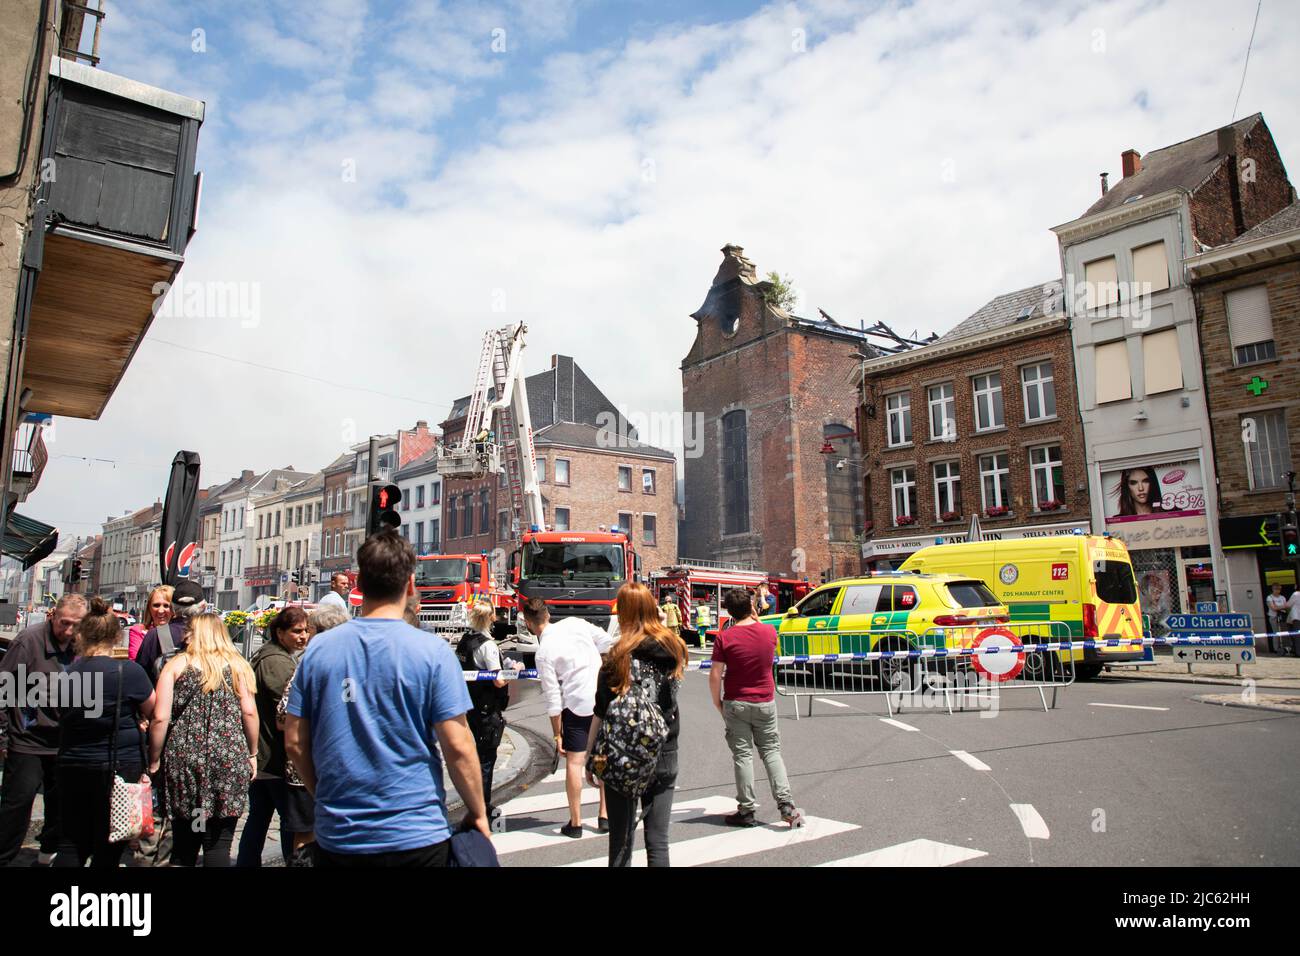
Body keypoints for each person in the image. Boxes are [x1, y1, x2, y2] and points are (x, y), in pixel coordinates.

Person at [284, 531, 489, 867]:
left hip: (341, 836)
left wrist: (323, 795)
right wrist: (478, 811)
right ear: (411, 585)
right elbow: (458, 745)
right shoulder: (433, 652)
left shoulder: (318, 651)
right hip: (416, 833)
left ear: (359, 584)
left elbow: (294, 741)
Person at [148, 611, 259, 867]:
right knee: (218, 842)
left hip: (184, 757)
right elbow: (250, 712)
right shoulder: (238, 667)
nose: (184, 636)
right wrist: (252, 753)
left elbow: (160, 718)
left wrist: (154, 759)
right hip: (227, 757)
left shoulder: (176, 665)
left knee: (184, 842)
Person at [588, 582, 686, 867]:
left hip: (622, 754)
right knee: (658, 841)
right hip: (665, 749)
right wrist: (660, 621)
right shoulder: (674, 649)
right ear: (652, 609)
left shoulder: (616, 657)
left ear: (623, 614)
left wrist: (590, 757)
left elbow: (601, 711)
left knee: (620, 839)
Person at [54, 598, 156, 868]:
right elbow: (153, 709)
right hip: (118, 765)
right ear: (116, 636)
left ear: (82, 635)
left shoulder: (68, 674)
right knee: (110, 842)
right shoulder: (130, 672)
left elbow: (60, 714)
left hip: (73, 761)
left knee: (71, 840)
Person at [0, 594, 87, 866]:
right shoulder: (28, 641)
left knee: (60, 806)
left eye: (76, 625)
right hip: (28, 739)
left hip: (64, 741)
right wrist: (4, 735)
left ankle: (47, 853)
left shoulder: (82, 646)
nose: (69, 630)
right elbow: (4, 690)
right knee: (18, 805)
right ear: (53, 617)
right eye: (65, 623)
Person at [709, 587, 804, 828]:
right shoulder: (768, 631)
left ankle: (747, 809)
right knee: (771, 752)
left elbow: (715, 674)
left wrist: (717, 701)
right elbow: (763, 633)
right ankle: (786, 805)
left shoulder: (725, 637)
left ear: (729, 611)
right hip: (765, 701)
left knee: (743, 755)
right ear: (751, 607)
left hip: (736, 701)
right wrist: (756, 616)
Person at [524, 597, 610, 836]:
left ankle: (576, 822)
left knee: (574, 762)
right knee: (601, 755)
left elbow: (552, 698)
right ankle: (604, 815)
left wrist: (556, 734)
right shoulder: (575, 623)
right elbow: (607, 640)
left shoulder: (543, 652)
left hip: (576, 705)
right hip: (600, 699)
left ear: (528, 622)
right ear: (548, 614)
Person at [236, 606, 311, 867]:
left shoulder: (272, 655)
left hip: (265, 755)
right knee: (290, 821)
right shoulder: (276, 662)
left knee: (259, 818)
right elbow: (287, 712)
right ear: (280, 632)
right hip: (274, 756)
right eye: (296, 631)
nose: (303, 636)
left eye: (305, 630)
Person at [274, 605, 348, 866]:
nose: (307, 636)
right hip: (339, 766)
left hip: (309, 768)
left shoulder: (310, 664)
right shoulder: (355, 664)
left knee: (307, 835)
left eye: (310, 630)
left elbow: (284, 719)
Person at [456, 601, 524, 817]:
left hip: (469, 706)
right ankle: (482, 807)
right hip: (486, 708)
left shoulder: (465, 641)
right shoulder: (488, 646)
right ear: (490, 618)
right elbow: (498, 680)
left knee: (473, 758)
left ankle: (472, 803)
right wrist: (515, 669)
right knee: (486, 760)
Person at [136, 579, 206, 683]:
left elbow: (139, 677)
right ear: (203, 607)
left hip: (163, 696)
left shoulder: (156, 635)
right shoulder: (212, 635)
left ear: (172, 608)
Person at [128, 586, 173, 661]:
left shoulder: (181, 632)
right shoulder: (138, 631)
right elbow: (136, 662)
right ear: (149, 608)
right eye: (156, 605)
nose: (160, 610)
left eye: (166, 606)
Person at [1266, 584, 1288, 653]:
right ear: (1272, 589)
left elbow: (1286, 607)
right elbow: (1273, 608)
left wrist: (1277, 607)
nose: (1278, 590)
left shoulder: (1283, 597)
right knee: (1275, 632)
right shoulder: (1269, 597)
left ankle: (1285, 647)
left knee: (1284, 632)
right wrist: (1281, 607)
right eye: (1276, 589)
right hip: (1273, 617)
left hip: (1282, 616)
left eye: (1279, 589)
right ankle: (1276, 648)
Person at [1287, 587, 1300, 657]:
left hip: (1297, 618)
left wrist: (1277, 607)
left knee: (1297, 636)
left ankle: (1298, 652)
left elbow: (1288, 605)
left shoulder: (1296, 594)